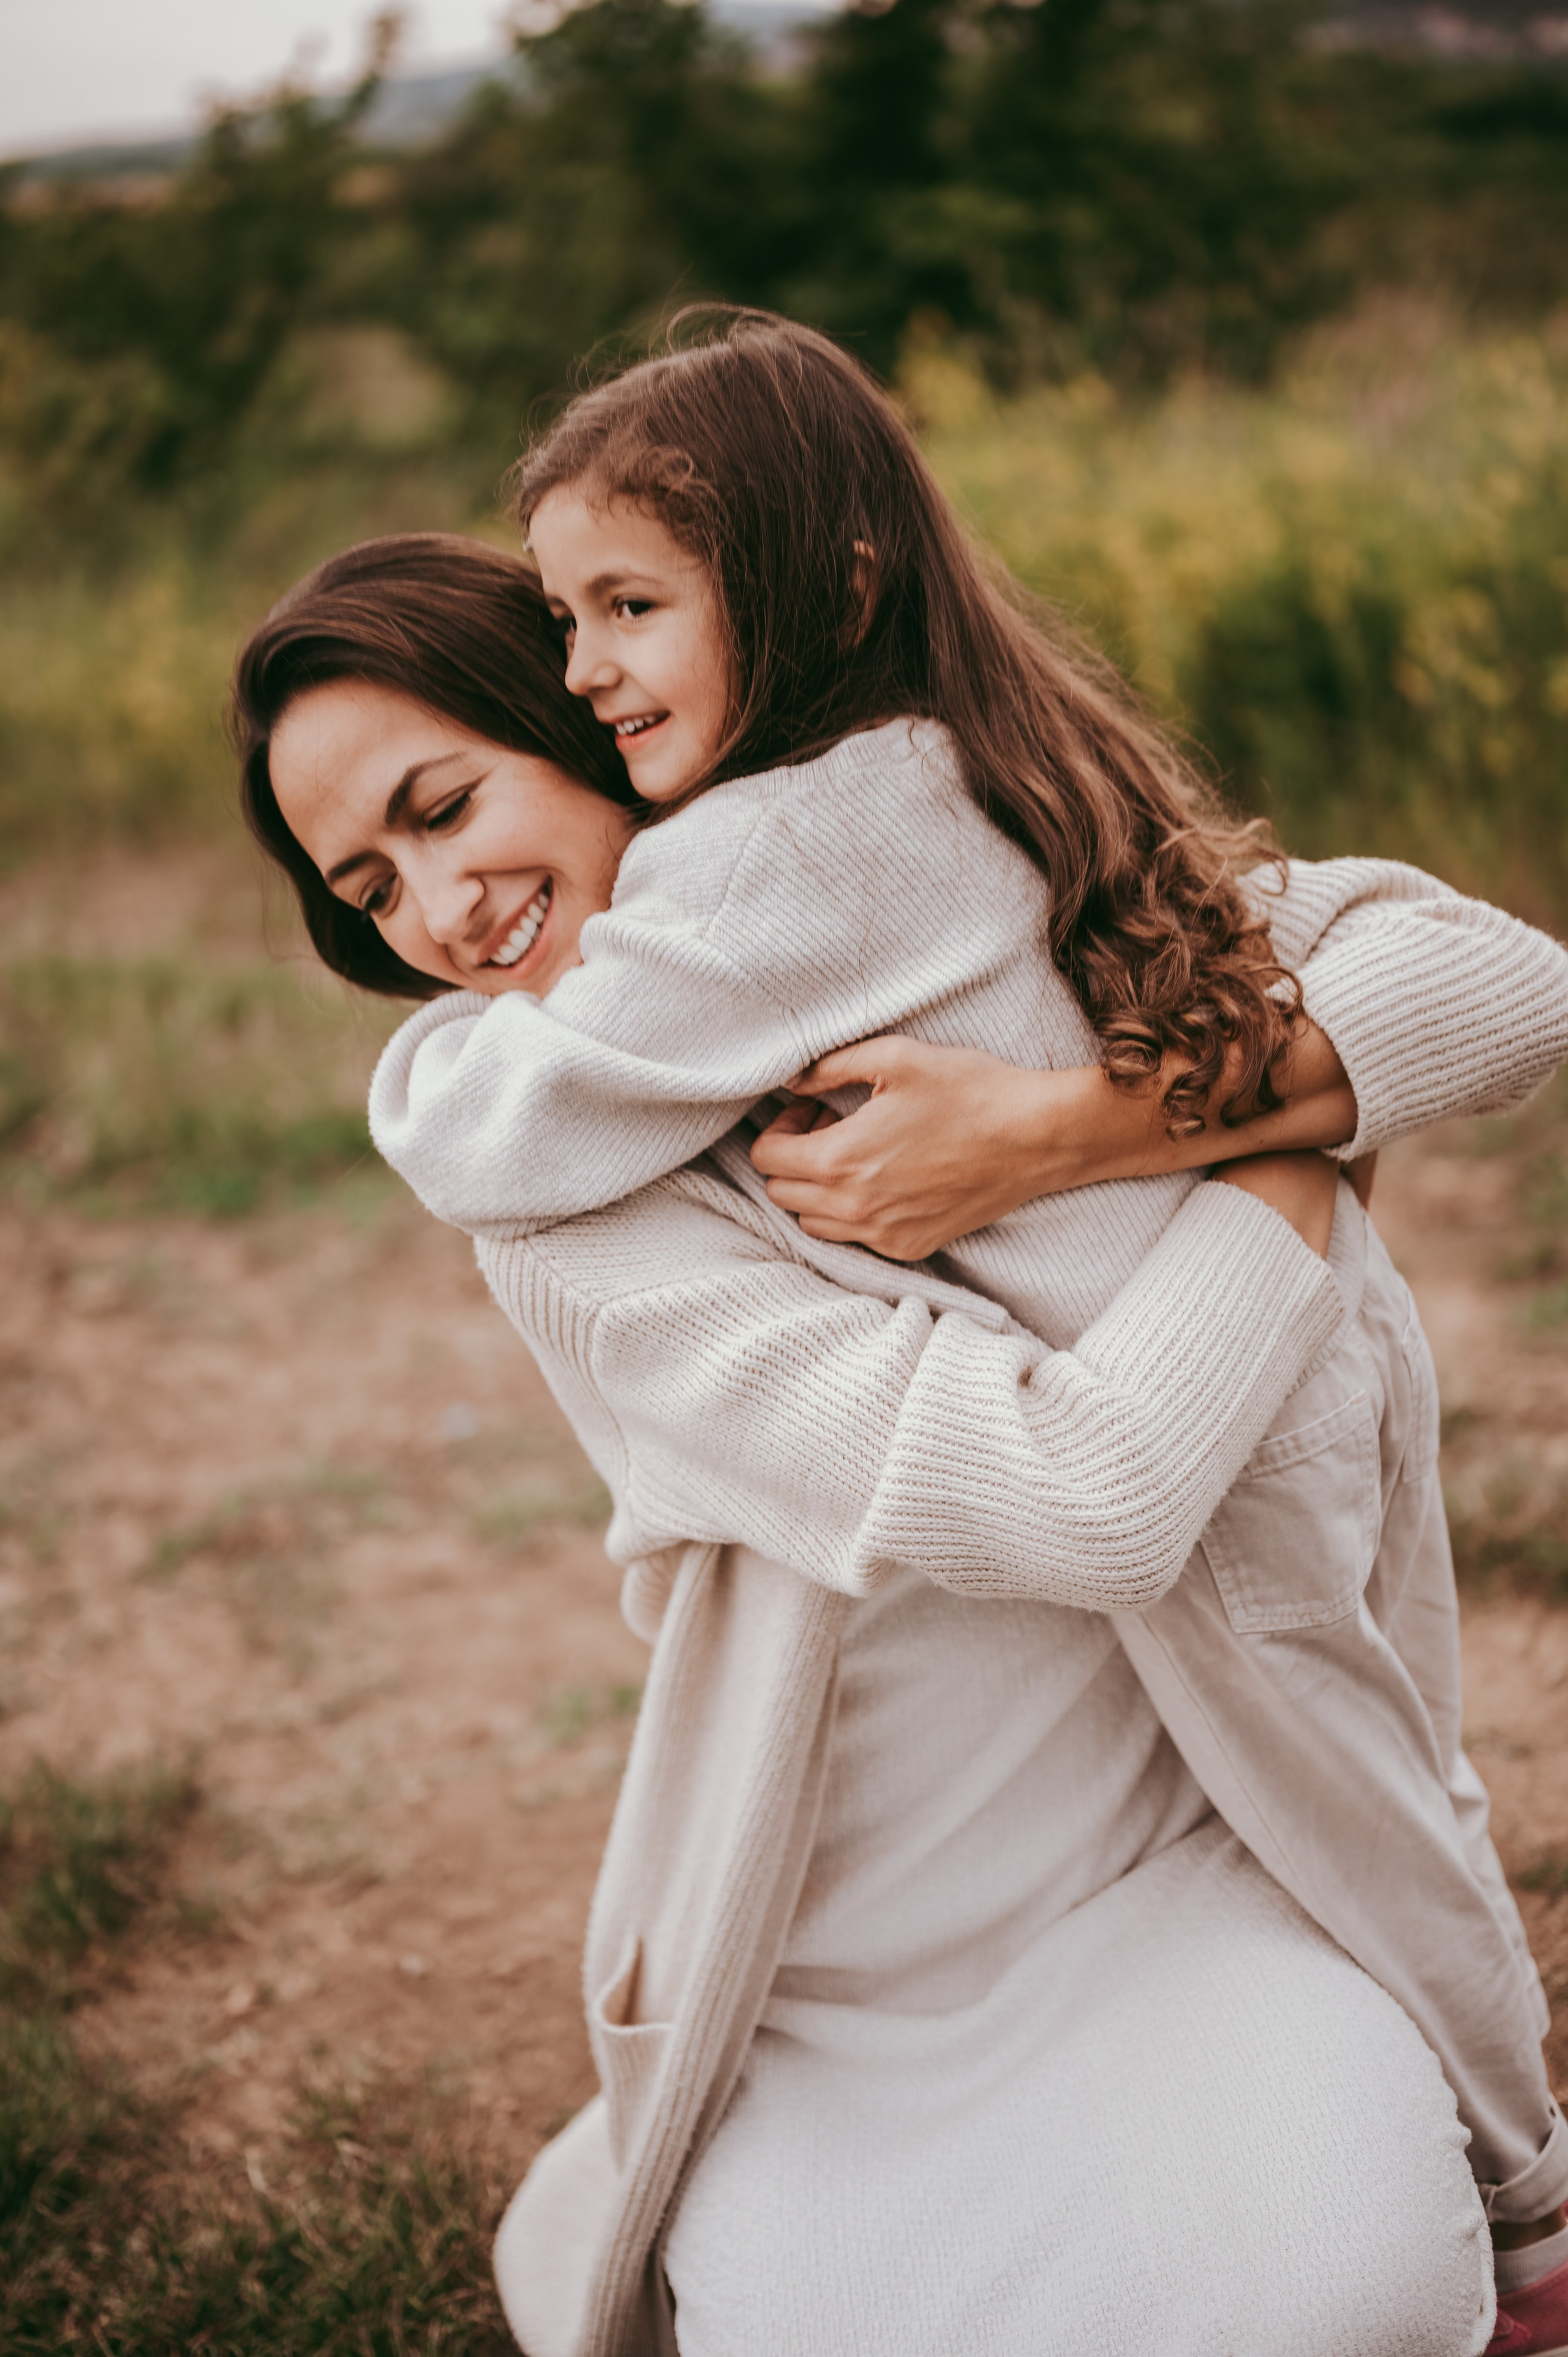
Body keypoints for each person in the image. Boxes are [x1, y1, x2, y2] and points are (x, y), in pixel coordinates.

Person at [235, 532, 1561, 2357]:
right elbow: (1084, 1497)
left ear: (602, 721)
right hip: (851, 1964)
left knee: (1362, 2298)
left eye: (447, 807)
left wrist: (1068, 1129)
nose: (442, 912)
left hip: (1190, 1864)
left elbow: (1491, 984)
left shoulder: (958, 898)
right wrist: (1285, 1165)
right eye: (371, 887)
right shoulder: (559, 1213)